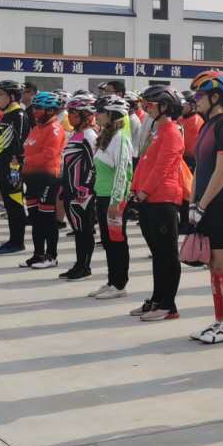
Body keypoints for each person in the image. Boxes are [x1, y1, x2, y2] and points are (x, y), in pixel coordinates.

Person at [186, 70, 223, 344]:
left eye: (201, 94)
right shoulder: (206, 126)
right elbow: (200, 168)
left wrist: (202, 204)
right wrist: (192, 202)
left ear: (216, 97)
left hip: (222, 204)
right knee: (212, 266)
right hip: (205, 203)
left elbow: (222, 172)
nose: (196, 99)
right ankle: (219, 320)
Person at [129, 85, 186, 321]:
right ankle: (157, 299)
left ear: (165, 106)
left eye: (150, 104)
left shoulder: (172, 132)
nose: (146, 108)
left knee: (167, 254)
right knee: (157, 253)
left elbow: (163, 168)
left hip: (163, 200)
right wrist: (135, 189)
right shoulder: (158, 131)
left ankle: (168, 305)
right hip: (149, 199)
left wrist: (143, 192)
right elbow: (144, 164)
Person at [89, 96, 134, 298]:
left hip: (113, 199)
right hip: (102, 196)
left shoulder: (121, 138)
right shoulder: (108, 135)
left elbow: (122, 172)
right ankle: (111, 281)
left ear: (111, 114)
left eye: (100, 111)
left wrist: (116, 201)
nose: (96, 115)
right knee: (108, 241)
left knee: (117, 241)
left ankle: (119, 284)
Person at [19, 91, 67, 269]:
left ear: (50, 110)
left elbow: (49, 154)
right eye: (34, 107)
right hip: (31, 179)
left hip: (48, 178)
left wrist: (25, 160)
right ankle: (38, 254)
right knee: (35, 218)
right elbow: (28, 148)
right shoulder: (37, 127)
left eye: (39, 108)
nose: (34, 111)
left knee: (47, 218)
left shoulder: (55, 129)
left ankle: (51, 256)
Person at [0, 80, 27, 254]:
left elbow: (21, 143)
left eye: (1, 94)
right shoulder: (6, 115)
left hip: (13, 168)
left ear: (12, 96)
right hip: (2, 166)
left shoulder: (19, 115)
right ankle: (12, 239)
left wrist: (15, 167)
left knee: (15, 204)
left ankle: (18, 242)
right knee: (9, 205)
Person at [60, 93, 99, 280]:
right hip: (70, 189)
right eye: (69, 113)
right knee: (78, 231)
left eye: (74, 113)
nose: (69, 117)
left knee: (84, 231)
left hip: (82, 193)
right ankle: (79, 264)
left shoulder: (89, 135)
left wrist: (86, 188)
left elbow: (93, 164)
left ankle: (85, 267)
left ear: (85, 115)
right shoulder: (75, 134)